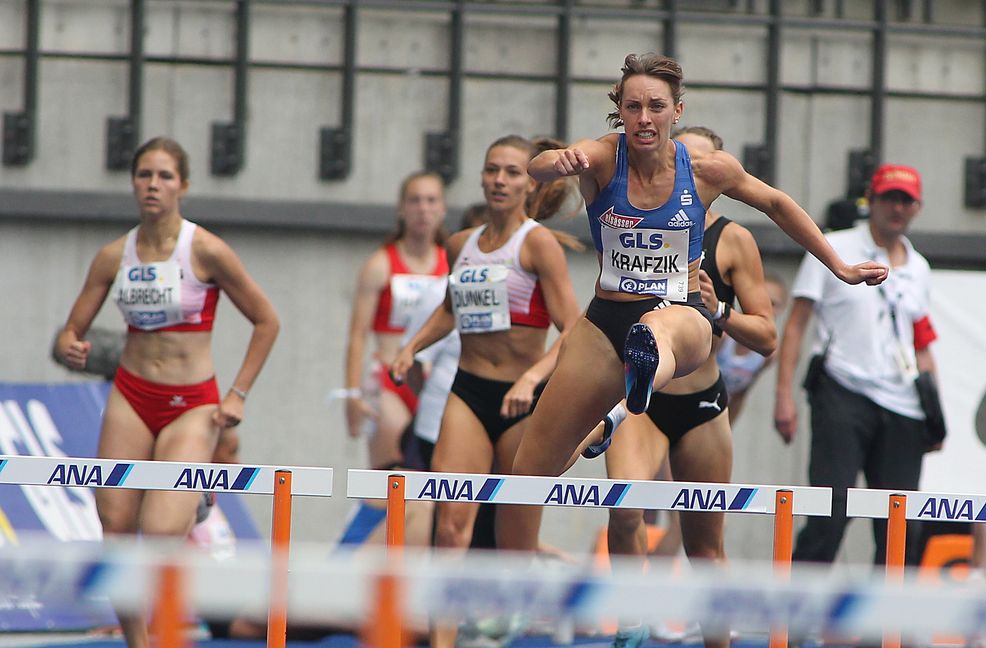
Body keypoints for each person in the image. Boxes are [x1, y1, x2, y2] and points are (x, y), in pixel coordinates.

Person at [496, 49, 886, 590]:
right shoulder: (604, 158)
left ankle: (631, 389)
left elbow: (776, 205)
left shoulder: (706, 171)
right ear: (620, 112)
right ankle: (503, 593)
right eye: (633, 107)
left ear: (676, 110)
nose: (644, 119)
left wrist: (838, 265)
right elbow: (541, 165)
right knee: (530, 473)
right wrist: (554, 162)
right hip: (604, 319)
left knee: (658, 331)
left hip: (684, 317)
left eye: (656, 106)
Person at [55, 136, 279, 648]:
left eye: (164, 176)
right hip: (133, 395)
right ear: (133, 183)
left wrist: (238, 392)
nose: (153, 185)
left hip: (193, 404)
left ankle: (189, 503)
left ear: (183, 185)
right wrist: (72, 345)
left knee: (158, 533)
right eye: (144, 175)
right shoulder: (115, 255)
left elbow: (267, 320)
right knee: (114, 524)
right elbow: (72, 329)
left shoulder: (205, 249)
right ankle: (140, 644)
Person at [583, 125, 781, 648]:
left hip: (701, 404)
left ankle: (719, 641)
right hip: (639, 406)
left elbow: (768, 338)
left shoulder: (733, 239)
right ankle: (630, 626)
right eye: (679, 158)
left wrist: (718, 311)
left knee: (704, 545)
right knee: (624, 512)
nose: (685, 171)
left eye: (698, 162)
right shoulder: (635, 218)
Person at [391, 134, 583, 648]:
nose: (500, 180)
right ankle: (444, 640)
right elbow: (451, 310)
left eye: (513, 172)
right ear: (481, 176)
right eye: (492, 170)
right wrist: (413, 347)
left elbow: (573, 329)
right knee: (451, 524)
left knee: (513, 540)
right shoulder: (461, 244)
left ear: (530, 182)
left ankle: (508, 626)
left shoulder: (538, 244)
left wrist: (530, 379)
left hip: (521, 404)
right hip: (469, 394)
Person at [773, 163, 939, 566]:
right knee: (830, 515)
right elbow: (796, 325)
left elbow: (921, 343)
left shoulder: (919, 268)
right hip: (842, 391)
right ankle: (793, 624)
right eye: (889, 198)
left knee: (902, 527)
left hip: (903, 405)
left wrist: (936, 415)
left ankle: (886, 629)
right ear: (873, 200)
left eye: (906, 200)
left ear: (917, 207)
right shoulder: (834, 247)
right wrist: (784, 397)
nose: (897, 208)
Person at [344, 172, 449, 470]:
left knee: (431, 480)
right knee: (392, 479)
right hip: (391, 381)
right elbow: (357, 335)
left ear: (442, 209)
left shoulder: (452, 262)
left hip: (434, 382)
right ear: (402, 209)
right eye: (415, 200)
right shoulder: (380, 264)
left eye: (431, 200)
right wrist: (352, 394)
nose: (423, 209)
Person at [717, 270, 788, 424]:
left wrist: (728, 429)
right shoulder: (723, 337)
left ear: (783, 308)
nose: (767, 308)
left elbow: (740, 394)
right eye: (762, 300)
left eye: (773, 304)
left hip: (719, 414)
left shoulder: (768, 356)